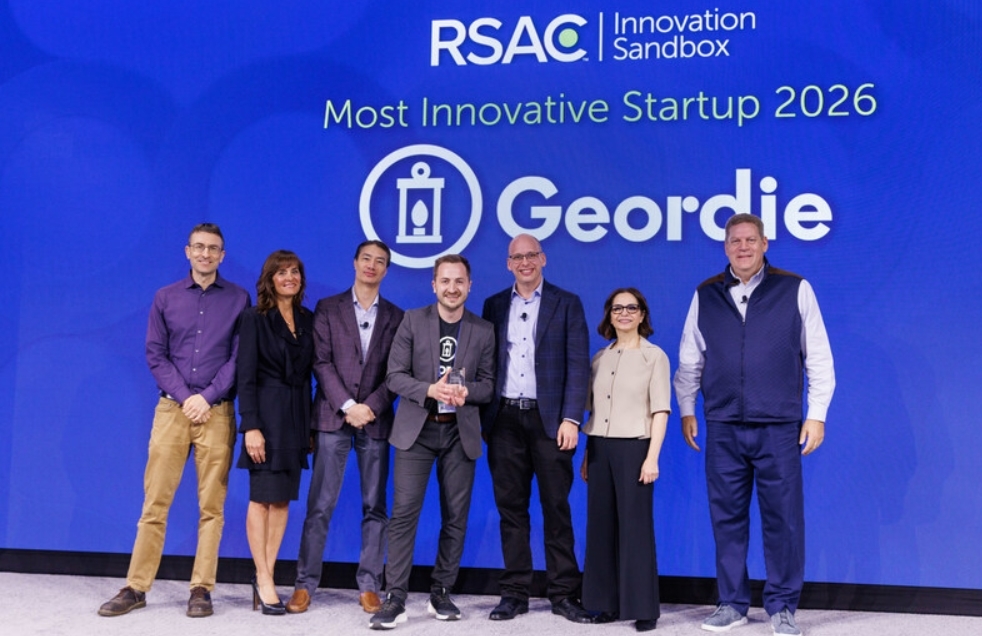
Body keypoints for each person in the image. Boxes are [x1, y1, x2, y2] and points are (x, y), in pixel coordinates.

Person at [674, 213, 835, 636]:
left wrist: (816, 414)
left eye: (750, 240)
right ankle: (732, 603)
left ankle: (782, 606)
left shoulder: (794, 289)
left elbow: (818, 356)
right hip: (723, 425)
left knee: (783, 519)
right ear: (725, 247)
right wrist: (687, 408)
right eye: (735, 241)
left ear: (765, 244)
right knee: (726, 519)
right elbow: (690, 359)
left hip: (778, 426)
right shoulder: (706, 294)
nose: (742, 247)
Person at [98, 223, 250, 618]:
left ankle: (201, 589)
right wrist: (187, 398)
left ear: (222, 255)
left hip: (216, 412)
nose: (205, 254)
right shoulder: (165, 297)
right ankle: (136, 587)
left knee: (212, 507)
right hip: (172, 411)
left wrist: (207, 397)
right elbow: (155, 354)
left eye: (213, 248)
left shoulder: (239, 298)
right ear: (187, 252)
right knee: (155, 503)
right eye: (198, 247)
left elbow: (238, 358)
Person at [369, 254, 495, 630]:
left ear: (469, 286)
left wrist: (467, 391)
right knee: (404, 514)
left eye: (459, 281)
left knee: (455, 516)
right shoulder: (412, 320)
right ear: (434, 285)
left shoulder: (483, 330)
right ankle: (395, 598)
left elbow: (489, 385)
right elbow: (394, 376)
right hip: (417, 431)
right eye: (445, 281)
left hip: (459, 432)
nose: (452, 288)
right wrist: (429, 389)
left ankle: (441, 591)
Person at [481, 233, 593, 624]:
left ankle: (564, 593)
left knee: (556, 508)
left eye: (531, 255)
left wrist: (571, 418)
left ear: (543, 259)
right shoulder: (494, 305)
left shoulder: (567, 302)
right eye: (517, 257)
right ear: (508, 264)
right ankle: (514, 593)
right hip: (504, 421)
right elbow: (487, 363)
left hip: (551, 423)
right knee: (511, 510)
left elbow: (578, 364)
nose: (525, 262)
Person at [286, 241, 404, 615]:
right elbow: (321, 362)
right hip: (333, 416)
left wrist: (370, 407)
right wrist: (349, 406)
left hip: (375, 420)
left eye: (380, 261)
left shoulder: (397, 316)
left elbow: (397, 373)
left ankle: (369, 585)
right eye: (366, 258)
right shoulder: (328, 308)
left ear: (386, 270)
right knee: (320, 505)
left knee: (375, 506)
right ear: (354, 263)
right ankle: (304, 584)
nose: (372, 265)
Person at [580, 288, 670, 633]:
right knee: (600, 528)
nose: (624, 313)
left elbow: (660, 411)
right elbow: (594, 411)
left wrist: (652, 458)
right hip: (599, 449)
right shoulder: (600, 358)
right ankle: (604, 603)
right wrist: (587, 455)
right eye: (617, 308)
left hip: (635, 449)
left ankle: (643, 608)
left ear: (642, 314)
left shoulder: (654, 357)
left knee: (635, 530)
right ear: (609, 315)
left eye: (632, 308)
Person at [236, 250, 315, 615]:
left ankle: (264, 575)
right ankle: (264, 578)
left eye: (294, 272)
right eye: (282, 272)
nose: (289, 278)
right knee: (261, 498)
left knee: (282, 500)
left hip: (296, 418)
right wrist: (250, 426)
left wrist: (309, 426)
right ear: (269, 279)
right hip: (265, 418)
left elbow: (310, 374)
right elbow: (246, 376)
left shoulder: (308, 318)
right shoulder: (254, 318)